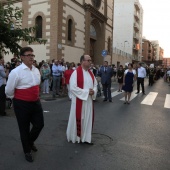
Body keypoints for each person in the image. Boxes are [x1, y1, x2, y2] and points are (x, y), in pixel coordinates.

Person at [5, 47, 44, 162]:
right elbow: (8, 90)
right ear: (22, 57)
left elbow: (37, 84)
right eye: (28, 55)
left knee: (39, 125)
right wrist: (17, 100)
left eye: (32, 55)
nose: (31, 57)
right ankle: (27, 151)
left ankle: (29, 141)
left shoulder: (36, 70)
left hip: (35, 102)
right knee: (24, 129)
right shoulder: (16, 72)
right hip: (22, 104)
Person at [66, 54, 97, 144]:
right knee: (79, 118)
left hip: (88, 101)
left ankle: (86, 138)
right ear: (82, 61)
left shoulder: (91, 73)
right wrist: (87, 92)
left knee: (87, 118)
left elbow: (95, 85)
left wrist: (93, 91)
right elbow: (73, 87)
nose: (90, 62)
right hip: (79, 101)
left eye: (90, 60)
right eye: (88, 60)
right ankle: (75, 137)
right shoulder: (76, 73)